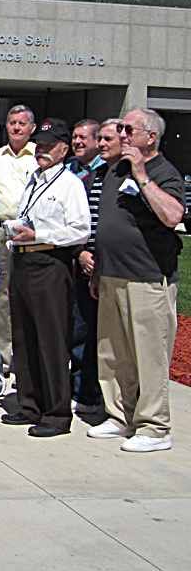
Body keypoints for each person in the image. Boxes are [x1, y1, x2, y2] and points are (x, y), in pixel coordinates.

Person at [88, 108, 185, 453]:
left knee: (148, 355)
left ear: (151, 136)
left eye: (129, 129)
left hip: (147, 278)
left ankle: (155, 427)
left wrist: (143, 175)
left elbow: (173, 215)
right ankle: (120, 415)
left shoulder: (162, 171)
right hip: (113, 274)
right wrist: (99, 269)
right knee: (114, 354)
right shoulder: (116, 170)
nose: (122, 134)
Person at [0, 118, 90, 438]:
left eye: (49, 146)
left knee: (51, 340)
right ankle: (29, 403)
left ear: (64, 149)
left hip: (51, 263)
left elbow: (80, 229)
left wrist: (40, 234)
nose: (42, 150)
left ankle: (57, 412)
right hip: (24, 261)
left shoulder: (69, 185)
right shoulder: (33, 179)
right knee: (24, 337)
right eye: (39, 145)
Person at [0, 105, 37, 378]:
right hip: (1, 232)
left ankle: (27, 357)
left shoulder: (40, 156)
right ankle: (0, 359)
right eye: (12, 123)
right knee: (0, 295)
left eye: (22, 123)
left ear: (32, 128)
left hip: (32, 232)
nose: (16, 128)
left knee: (30, 294)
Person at [67, 117, 108, 413]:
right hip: (71, 258)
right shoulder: (69, 170)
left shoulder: (106, 174)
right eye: (75, 137)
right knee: (74, 327)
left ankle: (88, 392)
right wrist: (78, 252)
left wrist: (88, 253)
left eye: (85, 138)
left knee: (91, 330)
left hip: (97, 262)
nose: (78, 142)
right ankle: (74, 384)